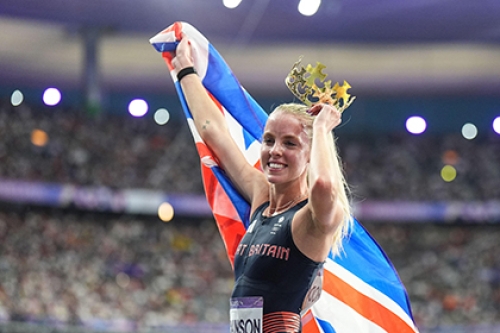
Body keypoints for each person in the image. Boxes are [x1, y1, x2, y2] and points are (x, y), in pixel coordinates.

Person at [170, 33, 353, 333]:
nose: (275, 151)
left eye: (290, 143)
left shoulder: (312, 219)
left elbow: (323, 185)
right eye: (269, 140)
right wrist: (186, 71)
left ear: (310, 156)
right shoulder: (261, 197)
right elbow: (212, 132)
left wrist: (322, 129)